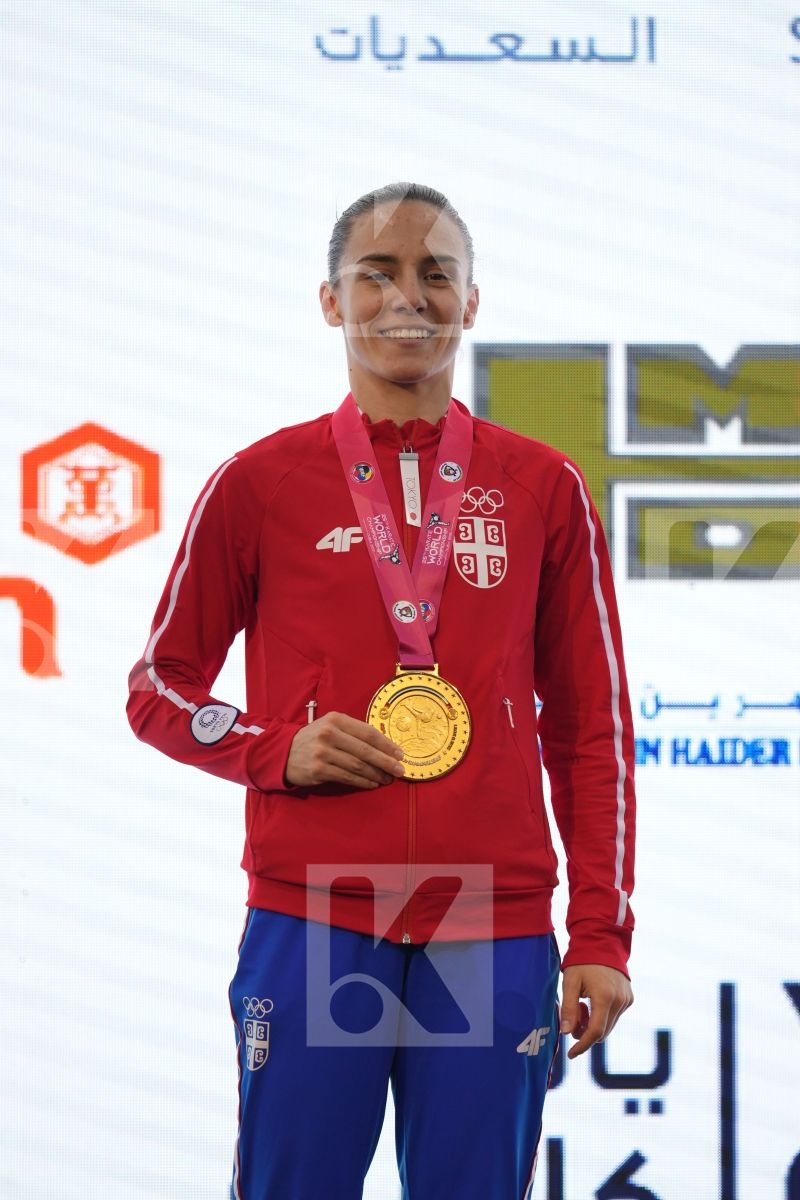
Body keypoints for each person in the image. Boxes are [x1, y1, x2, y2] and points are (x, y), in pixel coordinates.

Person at [127, 182, 636, 1200]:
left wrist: (598, 933)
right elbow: (156, 686)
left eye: (436, 273)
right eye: (377, 273)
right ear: (331, 301)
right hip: (316, 913)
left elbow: (591, 728)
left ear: (471, 302)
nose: (408, 296)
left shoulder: (542, 486)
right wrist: (274, 749)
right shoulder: (258, 482)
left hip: (490, 923)